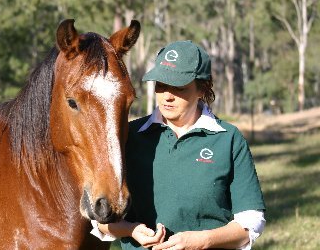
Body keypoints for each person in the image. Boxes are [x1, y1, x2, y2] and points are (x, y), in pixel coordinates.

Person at [91, 40, 266, 250]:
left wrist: (203, 241)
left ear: (202, 89)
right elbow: (100, 221)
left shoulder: (228, 139)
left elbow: (251, 221)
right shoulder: (129, 137)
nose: (167, 96)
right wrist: (131, 230)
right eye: (161, 86)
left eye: (179, 88)